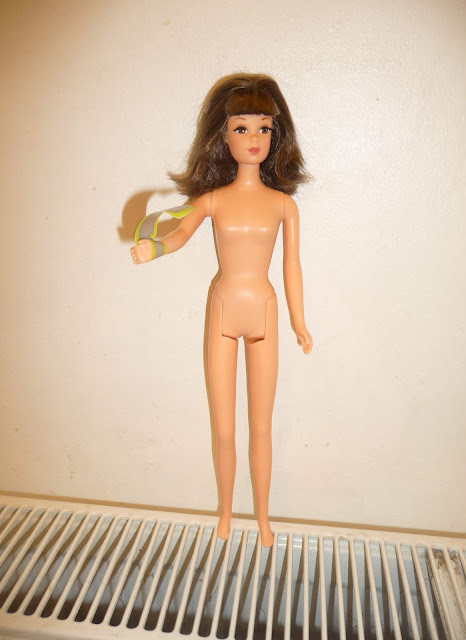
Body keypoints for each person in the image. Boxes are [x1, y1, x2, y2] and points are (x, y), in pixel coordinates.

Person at [130, 73, 312, 547]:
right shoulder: (212, 200)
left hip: (265, 312)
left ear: (276, 135)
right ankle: (227, 512)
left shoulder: (283, 205)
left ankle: (264, 518)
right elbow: (178, 235)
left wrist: (299, 321)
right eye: (241, 128)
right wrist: (153, 249)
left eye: (264, 128)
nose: (254, 138)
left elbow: (292, 265)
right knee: (224, 425)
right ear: (222, 136)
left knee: (261, 426)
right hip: (224, 311)